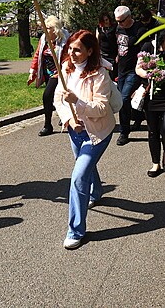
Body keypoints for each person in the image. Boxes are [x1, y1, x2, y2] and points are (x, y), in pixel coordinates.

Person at [53, 29, 116, 250]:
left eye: (77, 49)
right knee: (85, 165)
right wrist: (69, 119)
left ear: (90, 51)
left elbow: (101, 108)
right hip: (75, 130)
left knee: (79, 176)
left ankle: (75, 230)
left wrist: (77, 102)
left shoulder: (100, 74)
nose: (71, 53)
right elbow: (58, 99)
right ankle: (96, 192)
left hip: (97, 132)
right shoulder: (66, 69)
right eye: (70, 48)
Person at [136, 29, 165, 177]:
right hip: (151, 97)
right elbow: (138, 68)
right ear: (162, 33)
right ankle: (155, 163)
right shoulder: (148, 47)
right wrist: (150, 74)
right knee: (153, 131)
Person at [29, 16, 70, 136]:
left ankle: (48, 125)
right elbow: (38, 54)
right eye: (44, 28)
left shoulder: (65, 40)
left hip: (60, 73)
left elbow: (68, 58)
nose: (45, 31)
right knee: (55, 98)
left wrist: (61, 72)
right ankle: (60, 118)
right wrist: (33, 71)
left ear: (55, 29)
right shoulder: (44, 39)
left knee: (47, 95)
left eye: (47, 28)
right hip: (47, 72)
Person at [113, 5, 146, 146]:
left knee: (124, 98)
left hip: (134, 69)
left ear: (129, 17)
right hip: (122, 69)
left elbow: (146, 50)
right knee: (125, 99)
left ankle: (123, 132)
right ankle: (139, 117)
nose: (119, 24)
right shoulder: (119, 28)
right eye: (117, 21)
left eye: (121, 21)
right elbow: (118, 44)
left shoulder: (139, 29)